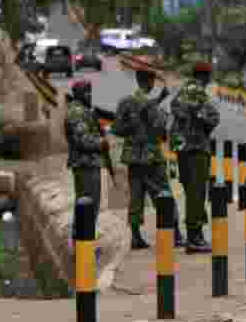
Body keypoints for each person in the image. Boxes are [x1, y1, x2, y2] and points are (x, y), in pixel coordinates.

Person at [112, 57, 184, 250]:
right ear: (150, 82)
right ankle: (175, 234)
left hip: (133, 157)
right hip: (151, 157)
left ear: (136, 80)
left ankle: (135, 237)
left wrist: (132, 129)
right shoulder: (154, 106)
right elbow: (162, 129)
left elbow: (117, 129)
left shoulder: (125, 103)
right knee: (164, 194)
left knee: (136, 197)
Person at [171, 61, 220, 254]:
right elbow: (212, 118)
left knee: (191, 191)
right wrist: (205, 121)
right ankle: (194, 237)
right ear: (205, 76)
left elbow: (176, 111)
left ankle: (194, 235)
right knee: (197, 193)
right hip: (196, 147)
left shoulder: (182, 91)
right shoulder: (198, 92)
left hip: (182, 148)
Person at [64, 80, 106, 217]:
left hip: (89, 164)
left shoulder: (83, 110)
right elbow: (83, 140)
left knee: (88, 207)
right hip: (85, 165)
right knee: (88, 206)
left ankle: (82, 237)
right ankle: (80, 238)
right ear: (82, 94)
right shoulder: (77, 112)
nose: (92, 96)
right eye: (89, 93)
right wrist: (102, 143)